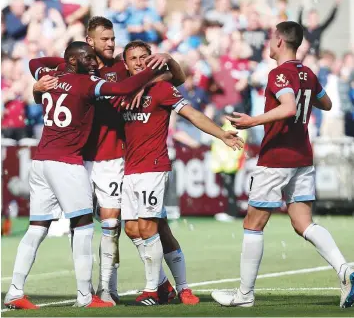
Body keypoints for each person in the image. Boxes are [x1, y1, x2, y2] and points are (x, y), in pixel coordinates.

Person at [33, 16, 186, 305]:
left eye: (113, 38)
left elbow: (175, 77)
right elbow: (36, 62)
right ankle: (87, 288)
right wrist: (38, 83)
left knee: (111, 228)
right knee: (79, 226)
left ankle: (107, 288)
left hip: (113, 158)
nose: (111, 43)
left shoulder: (121, 66)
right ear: (89, 42)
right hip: (77, 159)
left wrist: (155, 73)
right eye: (105, 39)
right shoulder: (76, 66)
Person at [4, 41, 160, 310]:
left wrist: (46, 78)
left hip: (41, 161)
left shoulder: (49, 76)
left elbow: (34, 63)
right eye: (87, 58)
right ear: (74, 61)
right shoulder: (86, 84)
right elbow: (123, 88)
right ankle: (86, 297)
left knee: (37, 228)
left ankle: (15, 292)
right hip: (66, 163)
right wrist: (153, 70)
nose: (94, 63)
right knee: (84, 226)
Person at [211, 21, 354, 309]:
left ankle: (244, 295)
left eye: (270, 38)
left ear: (279, 42)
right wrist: (306, 91)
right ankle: (346, 270)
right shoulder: (307, 73)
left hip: (277, 157)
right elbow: (325, 104)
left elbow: (288, 107)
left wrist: (252, 120)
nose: (267, 42)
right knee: (303, 223)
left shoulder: (278, 74)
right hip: (302, 156)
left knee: (253, 223)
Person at [120, 40, 244, 305]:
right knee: (134, 229)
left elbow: (192, 114)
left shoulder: (162, 89)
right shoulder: (120, 89)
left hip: (153, 167)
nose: (139, 62)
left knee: (148, 227)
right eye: (134, 58)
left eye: (144, 57)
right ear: (125, 64)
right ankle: (171, 286)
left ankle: (155, 289)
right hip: (129, 169)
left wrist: (221, 133)